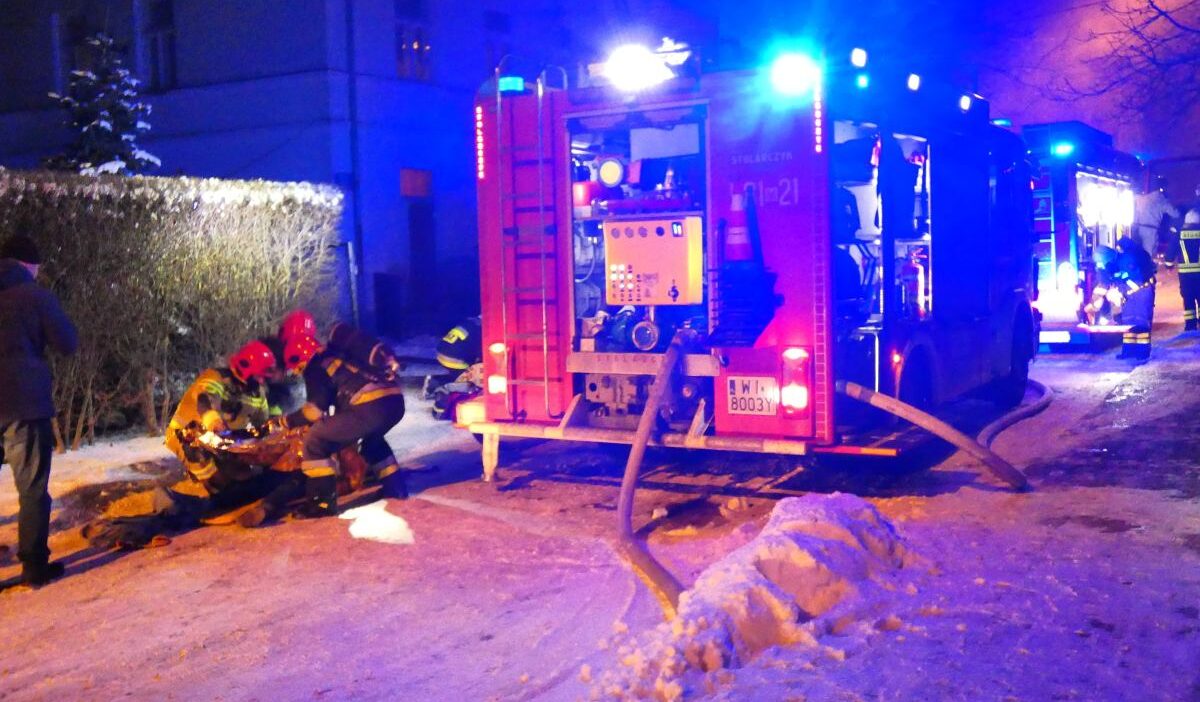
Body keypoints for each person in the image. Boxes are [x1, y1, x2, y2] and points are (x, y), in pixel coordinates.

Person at [240, 326, 408, 526]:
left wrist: (286, 422)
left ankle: (321, 504)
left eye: (296, 366)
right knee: (372, 440)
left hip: (369, 406)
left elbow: (314, 411)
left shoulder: (316, 366)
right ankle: (395, 487)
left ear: (299, 358)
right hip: (394, 401)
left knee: (316, 440)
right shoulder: (336, 356)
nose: (296, 371)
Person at [0, 235, 77, 586]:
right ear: (28, 265)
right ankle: (33, 566)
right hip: (23, 403)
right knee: (31, 486)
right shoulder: (34, 296)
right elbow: (67, 343)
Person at [165, 340, 281, 496]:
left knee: (245, 479)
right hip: (188, 437)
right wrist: (212, 419)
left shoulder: (256, 391)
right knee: (218, 483)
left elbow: (263, 421)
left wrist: (276, 429)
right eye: (259, 375)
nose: (262, 380)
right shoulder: (216, 377)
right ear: (246, 368)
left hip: (222, 441)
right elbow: (203, 398)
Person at [1114, 237, 1156, 362]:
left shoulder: (1127, 257)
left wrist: (1118, 277)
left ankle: (1137, 352)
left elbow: (1129, 275)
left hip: (1137, 293)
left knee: (1137, 322)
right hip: (1143, 292)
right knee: (1134, 321)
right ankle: (1134, 351)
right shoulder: (1142, 254)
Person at [1134, 176, 1179, 258]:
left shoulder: (1145, 198)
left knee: (1141, 254)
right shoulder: (1161, 200)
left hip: (1139, 229)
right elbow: (1175, 213)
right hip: (1151, 231)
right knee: (1149, 254)